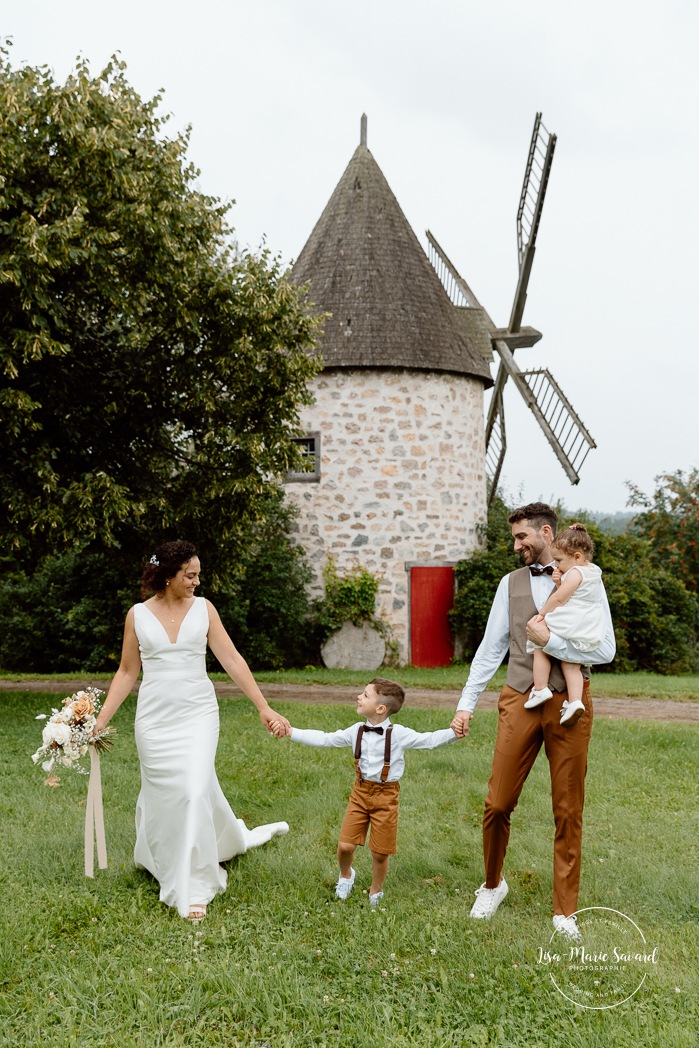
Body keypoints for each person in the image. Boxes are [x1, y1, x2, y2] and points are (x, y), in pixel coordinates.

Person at [92, 540, 290, 922]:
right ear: (168, 575)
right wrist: (102, 718)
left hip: (198, 713)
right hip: (154, 720)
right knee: (168, 794)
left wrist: (263, 706)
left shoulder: (205, 610)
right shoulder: (137, 615)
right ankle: (163, 858)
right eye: (190, 575)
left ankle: (195, 882)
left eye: (198, 574)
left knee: (195, 789)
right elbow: (127, 671)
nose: (197, 582)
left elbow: (231, 658)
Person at [451, 503, 615, 941]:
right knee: (497, 802)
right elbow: (490, 649)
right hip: (520, 696)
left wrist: (554, 640)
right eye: (514, 539)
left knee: (568, 809)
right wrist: (467, 703)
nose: (517, 546)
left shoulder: (589, 581)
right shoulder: (510, 584)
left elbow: (605, 651)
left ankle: (565, 910)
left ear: (546, 532)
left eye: (522, 537)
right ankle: (492, 884)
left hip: (570, 704)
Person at [276, 678, 459, 906]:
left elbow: (429, 740)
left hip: (387, 796)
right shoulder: (356, 731)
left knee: (380, 853)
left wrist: (455, 732)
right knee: (345, 846)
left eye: (365, 695)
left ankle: (375, 890)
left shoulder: (399, 734)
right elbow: (325, 738)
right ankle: (346, 875)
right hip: (360, 793)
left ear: (380, 709)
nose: (359, 697)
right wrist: (291, 731)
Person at [524, 523, 606, 726]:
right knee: (571, 664)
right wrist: (561, 580)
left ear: (577, 557)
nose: (557, 565)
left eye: (559, 561)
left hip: (571, 618)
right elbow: (578, 592)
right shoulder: (593, 571)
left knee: (539, 645)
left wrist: (542, 614)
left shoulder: (576, 573)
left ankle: (541, 688)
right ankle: (576, 702)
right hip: (587, 623)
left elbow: (560, 599)